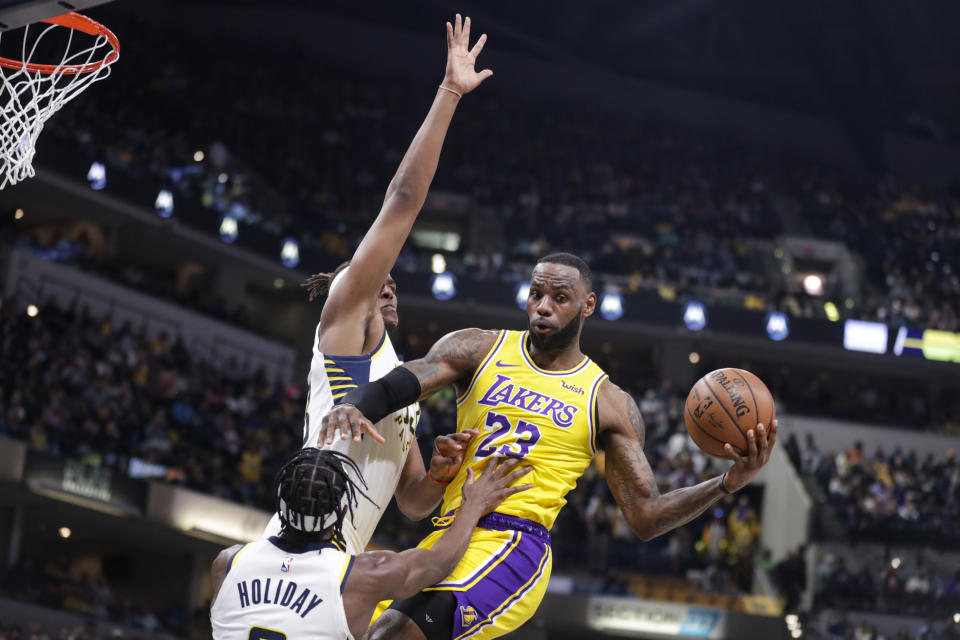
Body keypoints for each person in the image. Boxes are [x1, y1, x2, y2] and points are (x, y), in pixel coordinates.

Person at [319, 252, 779, 640]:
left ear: (587, 306)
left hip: (515, 547)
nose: (543, 307)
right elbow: (405, 381)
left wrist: (726, 483)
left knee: (396, 633)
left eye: (560, 298)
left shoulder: (608, 401)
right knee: (346, 624)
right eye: (537, 294)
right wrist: (356, 404)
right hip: (448, 530)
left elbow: (646, 516)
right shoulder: (479, 348)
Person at [263, 14, 494, 553]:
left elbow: (411, 501)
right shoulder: (347, 320)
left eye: (391, 282)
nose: (386, 286)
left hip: (340, 555)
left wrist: (439, 473)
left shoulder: (395, 379)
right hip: (303, 543)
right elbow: (403, 202)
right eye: (374, 281)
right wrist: (450, 92)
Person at [211, 448, 532, 639]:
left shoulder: (227, 562)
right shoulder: (361, 575)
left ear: (280, 504)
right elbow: (439, 563)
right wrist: (473, 506)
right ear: (343, 512)